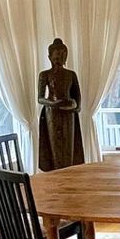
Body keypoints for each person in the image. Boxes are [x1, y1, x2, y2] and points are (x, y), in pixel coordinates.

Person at [37, 38, 84, 171]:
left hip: (68, 113)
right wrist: (52, 103)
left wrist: (75, 105)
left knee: (69, 146)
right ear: (50, 57)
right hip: (52, 113)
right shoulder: (44, 75)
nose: (59, 59)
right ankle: (57, 173)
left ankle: (69, 173)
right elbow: (40, 98)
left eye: (63, 56)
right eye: (56, 56)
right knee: (55, 146)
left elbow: (77, 95)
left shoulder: (71, 74)